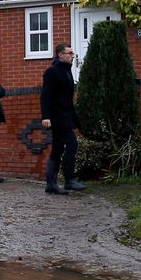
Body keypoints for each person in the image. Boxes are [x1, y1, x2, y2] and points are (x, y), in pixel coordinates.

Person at [41, 44, 86, 194]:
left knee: (57, 149)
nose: (72, 55)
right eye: (69, 53)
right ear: (60, 55)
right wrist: (46, 116)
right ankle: (69, 180)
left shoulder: (66, 72)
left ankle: (51, 184)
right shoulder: (52, 72)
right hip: (57, 117)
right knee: (72, 145)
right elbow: (45, 95)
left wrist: (76, 120)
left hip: (65, 116)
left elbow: (67, 99)